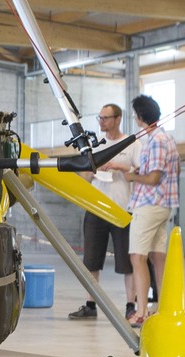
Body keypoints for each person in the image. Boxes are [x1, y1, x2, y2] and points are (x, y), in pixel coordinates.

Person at [69, 104, 137, 320]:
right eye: (99, 118)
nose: (101, 122)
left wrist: (120, 166)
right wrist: (89, 171)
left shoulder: (132, 144)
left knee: (128, 261)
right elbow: (84, 177)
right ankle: (90, 304)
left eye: (106, 118)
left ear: (118, 119)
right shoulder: (95, 145)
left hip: (122, 209)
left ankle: (131, 305)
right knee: (91, 260)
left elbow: (140, 171)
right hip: (96, 209)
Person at [121, 94, 179, 327]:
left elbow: (154, 178)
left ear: (140, 116)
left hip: (149, 204)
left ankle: (142, 311)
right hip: (163, 205)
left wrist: (132, 176)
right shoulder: (167, 139)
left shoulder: (155, 140)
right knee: (157, 257)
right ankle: (162, 307)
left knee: (137, 257)